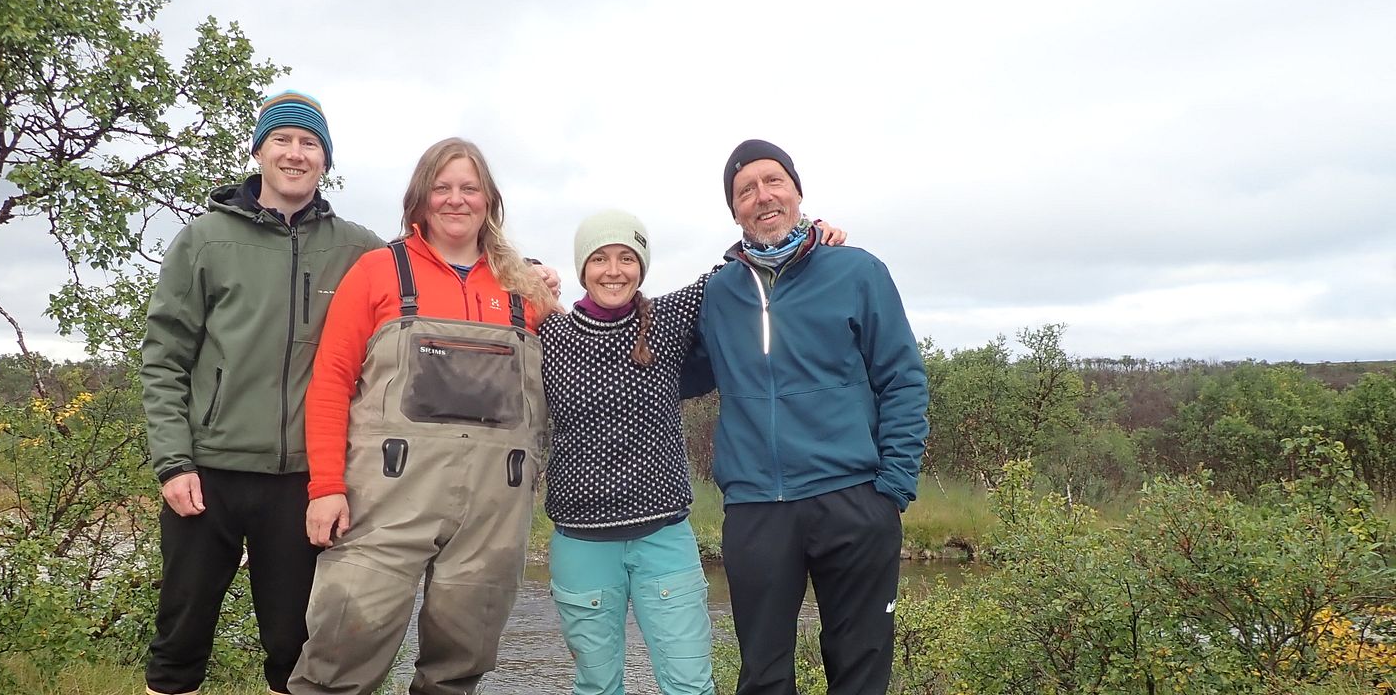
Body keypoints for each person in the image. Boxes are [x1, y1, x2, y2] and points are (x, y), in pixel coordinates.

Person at [290, 138, 559, 695]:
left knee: (460, 665)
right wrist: (325, 487)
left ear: (489, 200)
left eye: (469, 188)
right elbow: (330, 383)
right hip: (385, 496)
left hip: (494, 505)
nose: (455, 200)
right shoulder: (376, 271)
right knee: (344, 647)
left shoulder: (527, 290)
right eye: (442, 187)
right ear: (420, 199)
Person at [539, 210, 846, 695]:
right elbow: (493, 290)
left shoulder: (667, 318)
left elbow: (742, 271)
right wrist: (532, 269)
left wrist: (808, 234)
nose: (613, 270)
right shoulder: (550, 333)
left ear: (641, 266)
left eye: (626, 257)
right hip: (580, 541)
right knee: (596, 686)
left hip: (664, 536)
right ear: (582, 269)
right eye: (599, 259)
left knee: (689, 685)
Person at [141, 90, 386, 695]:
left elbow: (430, 277)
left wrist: (524, 271)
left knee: (295, 644)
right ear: (258, 151)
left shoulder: (360, 249)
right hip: (208, 475)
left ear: (325, 160)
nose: (295, 154)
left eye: (310, 143)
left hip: (305, 483)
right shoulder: (205, 239)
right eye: (282, 140)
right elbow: (164, 357)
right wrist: (173, 463)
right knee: (181, 636)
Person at [686, 139, 929, 695]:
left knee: (860, 671)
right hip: (756, 510)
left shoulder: (858, 271)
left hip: (854, 499)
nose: (762, 196)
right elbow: (669, 370)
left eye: (774, 182)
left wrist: (891, 488)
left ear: (798, 192)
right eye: (746, 189)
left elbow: (903, 379)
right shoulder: (717, 293)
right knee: (763, 678)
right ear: (734, 211)